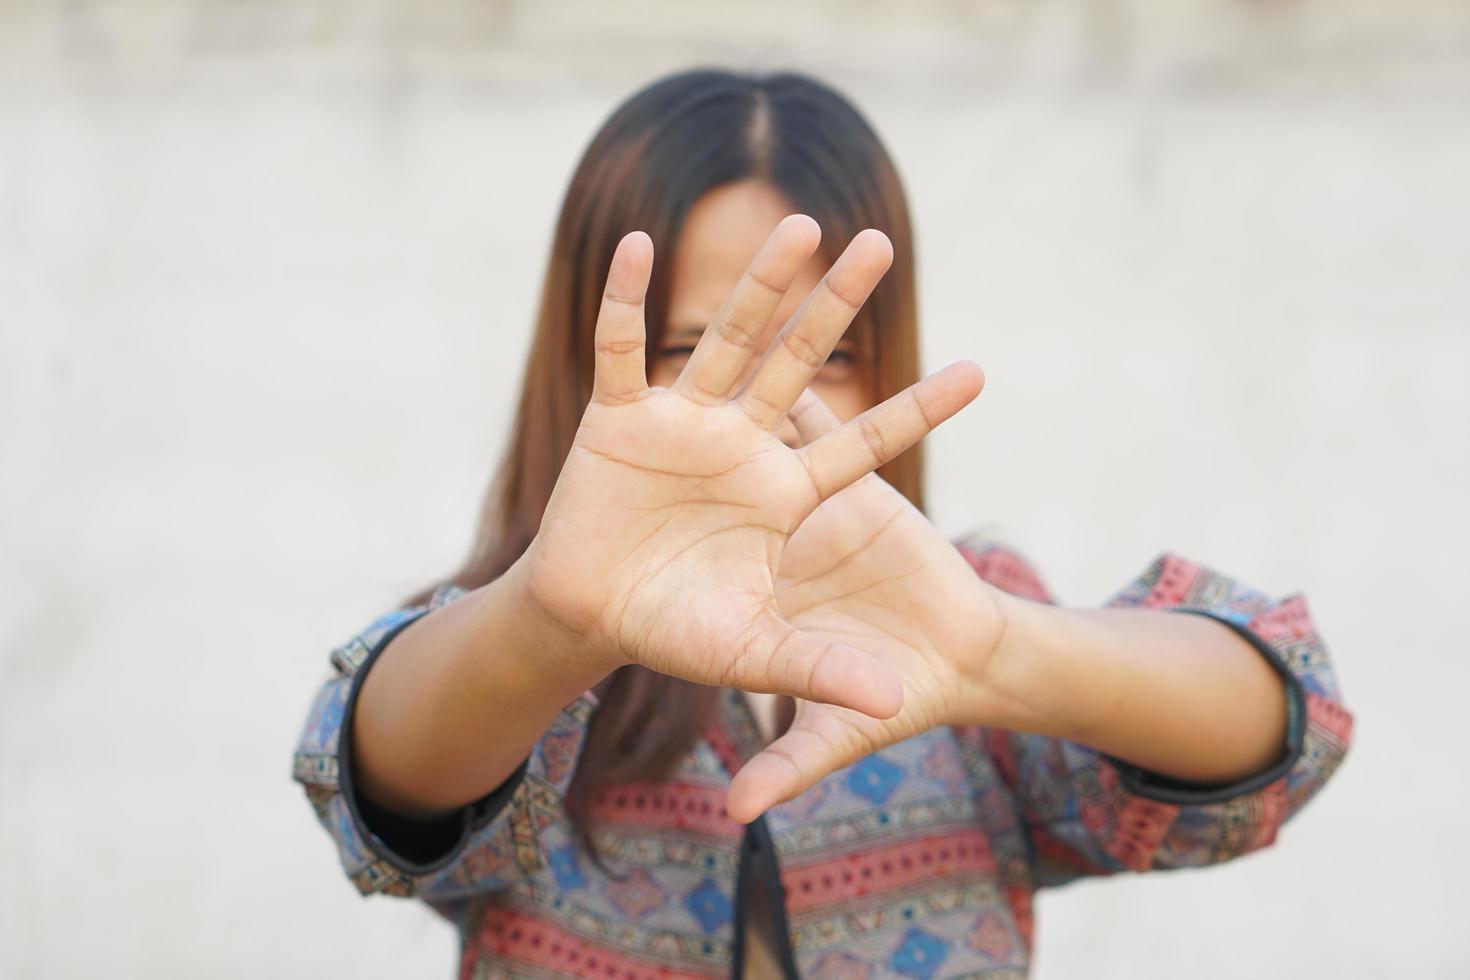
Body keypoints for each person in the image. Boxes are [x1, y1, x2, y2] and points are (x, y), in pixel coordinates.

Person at [291, 69, 1352, 979]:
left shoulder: (966, 602)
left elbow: (1288, 716)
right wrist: (548, 619)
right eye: (692, 349)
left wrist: (998, 649)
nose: (756, 409)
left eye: (827, 355)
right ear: (590, 364)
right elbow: (370, 782)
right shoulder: (506, 651)